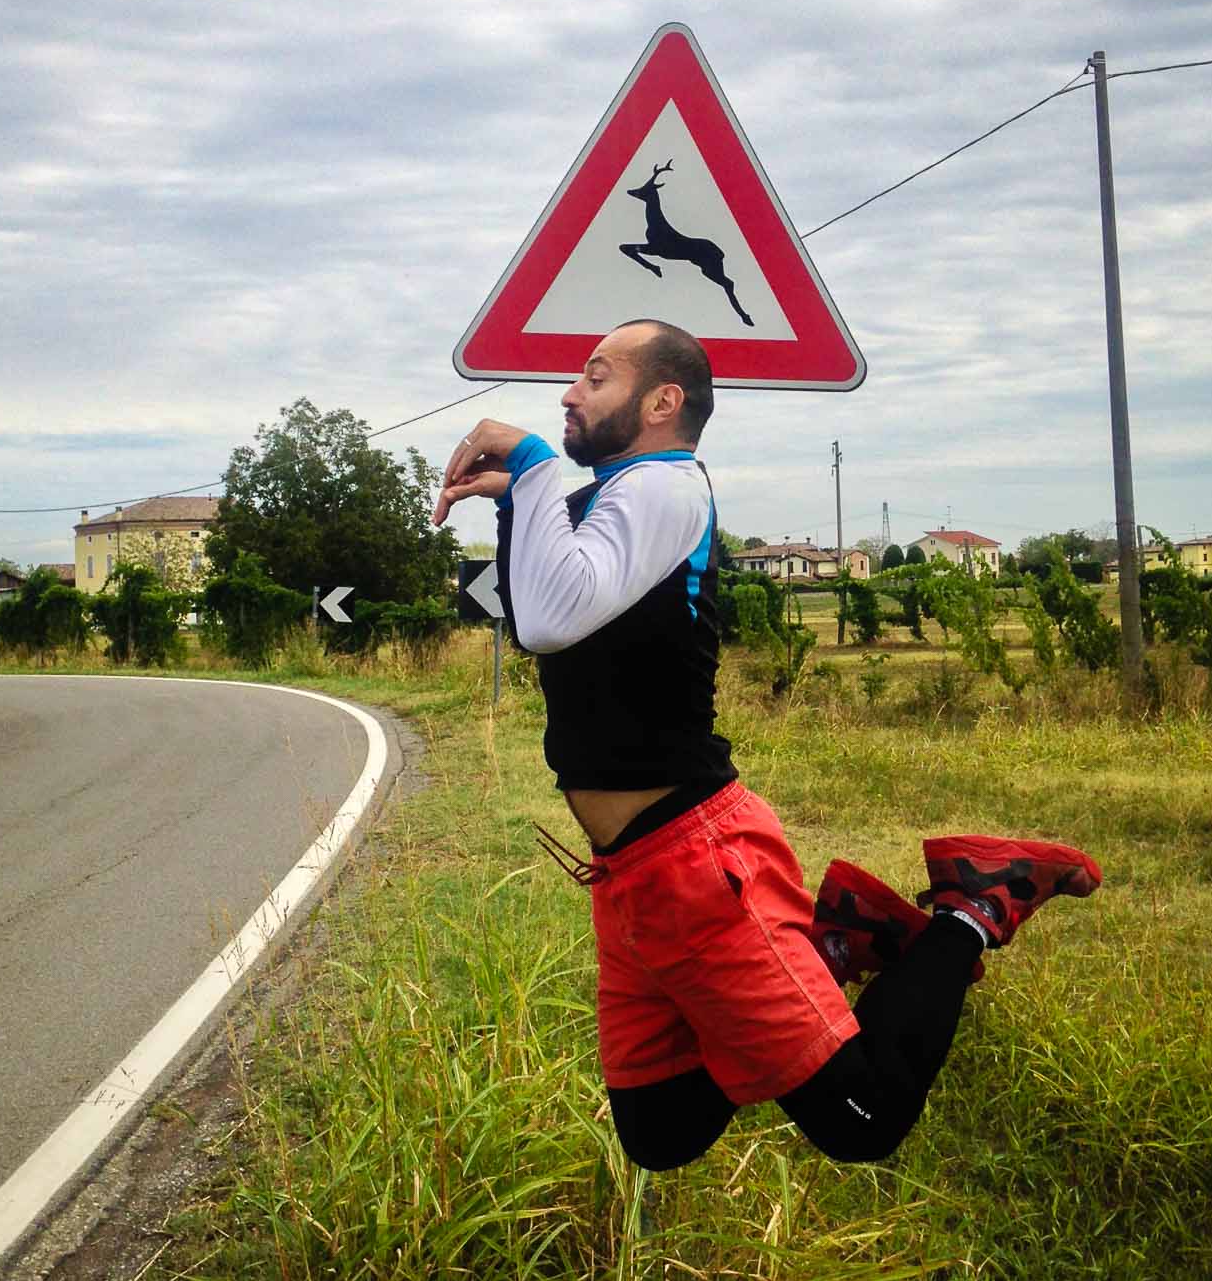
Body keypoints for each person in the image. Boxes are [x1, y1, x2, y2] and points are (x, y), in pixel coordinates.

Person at [433, 319, 1100, 1171]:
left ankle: (978, 901)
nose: (568, 393)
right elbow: (535, 618)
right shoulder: (601, 499)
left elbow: (555, 619)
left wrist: (529, 464)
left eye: (596, 378)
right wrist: (517, 496)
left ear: (662, 401)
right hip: (634, 875)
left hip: (698, 862)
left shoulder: (665, 484)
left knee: (862, 1119)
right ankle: (832, 948)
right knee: (661, 1131)